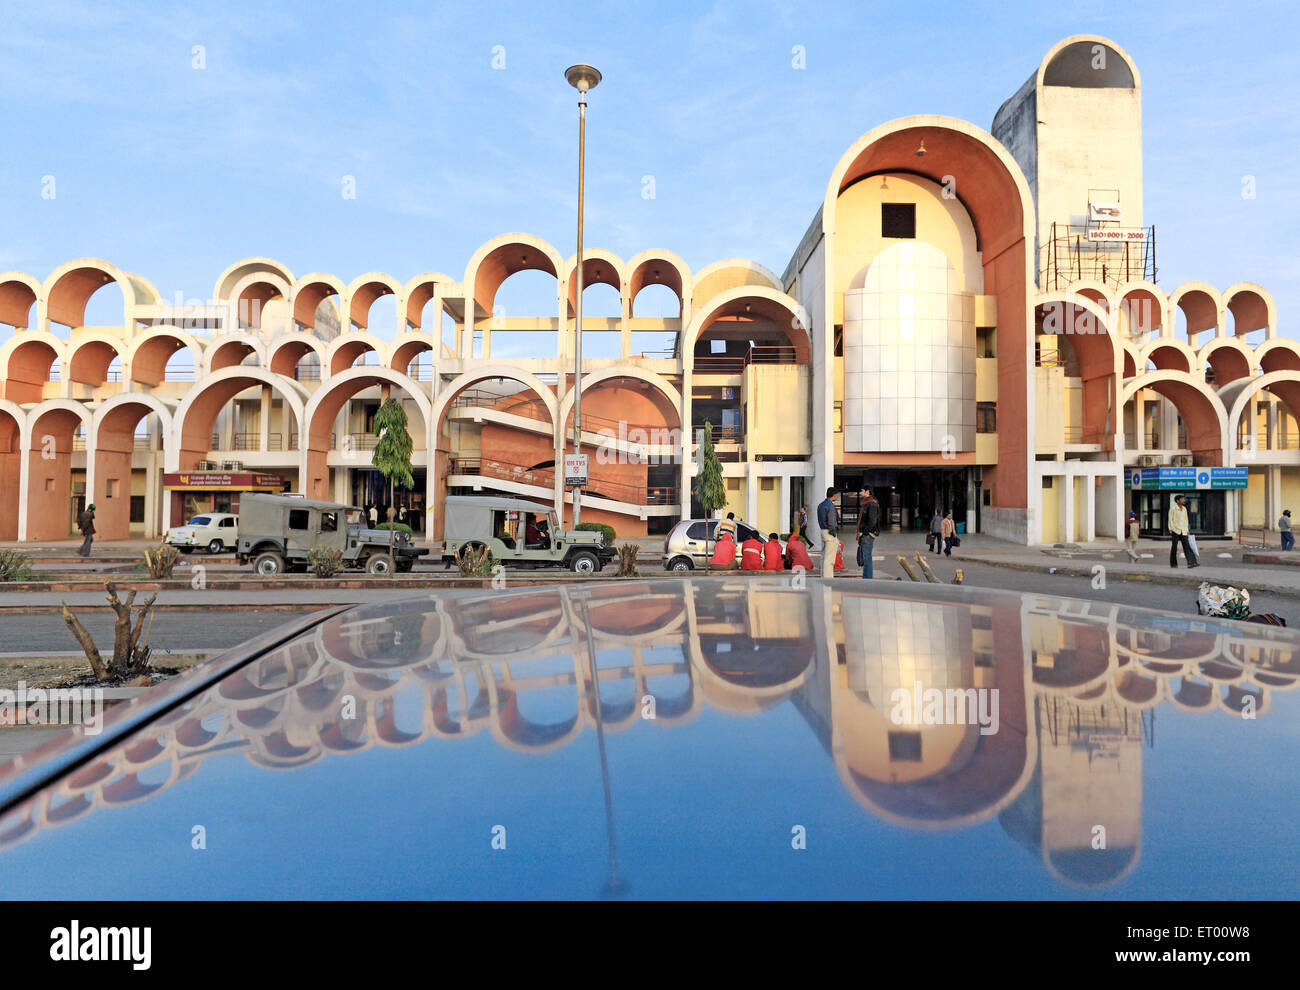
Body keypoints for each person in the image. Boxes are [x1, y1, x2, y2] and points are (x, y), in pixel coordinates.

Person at [1169, 494, 1199, 568]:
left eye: (1183, 499)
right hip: (1175, 531)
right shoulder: (1173, 509)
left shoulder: (1184, 509)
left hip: (1184, 531)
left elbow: (1186, 520)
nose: (1183, 500)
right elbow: (1170, 520)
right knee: (1174, 548)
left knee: (1187, 547)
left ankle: (1191, 563)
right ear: (1177, 501)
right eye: (1182, 499)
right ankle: (1173, 564)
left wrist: (1187, 529)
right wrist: (1172, 529)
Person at [858, 487, 881, 579]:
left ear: (867, 492)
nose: (860, 492)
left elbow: (872, 521)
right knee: (866, 556)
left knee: (866, 557)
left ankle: (867, 578)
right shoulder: (867, 504)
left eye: (862, 490)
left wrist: (865, 532)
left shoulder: (871, 504)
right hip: (866, 534)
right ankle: (867, 577)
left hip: (868, 534)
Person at [817, 487, 839, 578]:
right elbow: (831, 521)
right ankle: (828, 578)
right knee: (829, 558)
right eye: (836, 495)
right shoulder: (830, 505)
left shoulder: (821, 505)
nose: (837, 496)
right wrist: (833, 532)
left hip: (822, 531)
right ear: (833, 496)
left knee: (823, 556)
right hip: (829, 533)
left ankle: (823, 576)